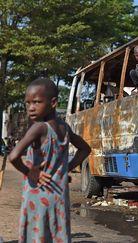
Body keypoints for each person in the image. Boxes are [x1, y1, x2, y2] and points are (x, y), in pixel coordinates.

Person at [7, 78, 91, 242]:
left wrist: (30, 172)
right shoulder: (64, 128)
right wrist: (66, 168)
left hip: (37, 195)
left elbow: (13, 156)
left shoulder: (39, 127)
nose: (31, 108)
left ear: (53, 102)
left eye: (37, 102)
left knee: (36, 235)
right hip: (58, 196)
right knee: (56, 234)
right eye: (28, 103)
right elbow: (85, 149)